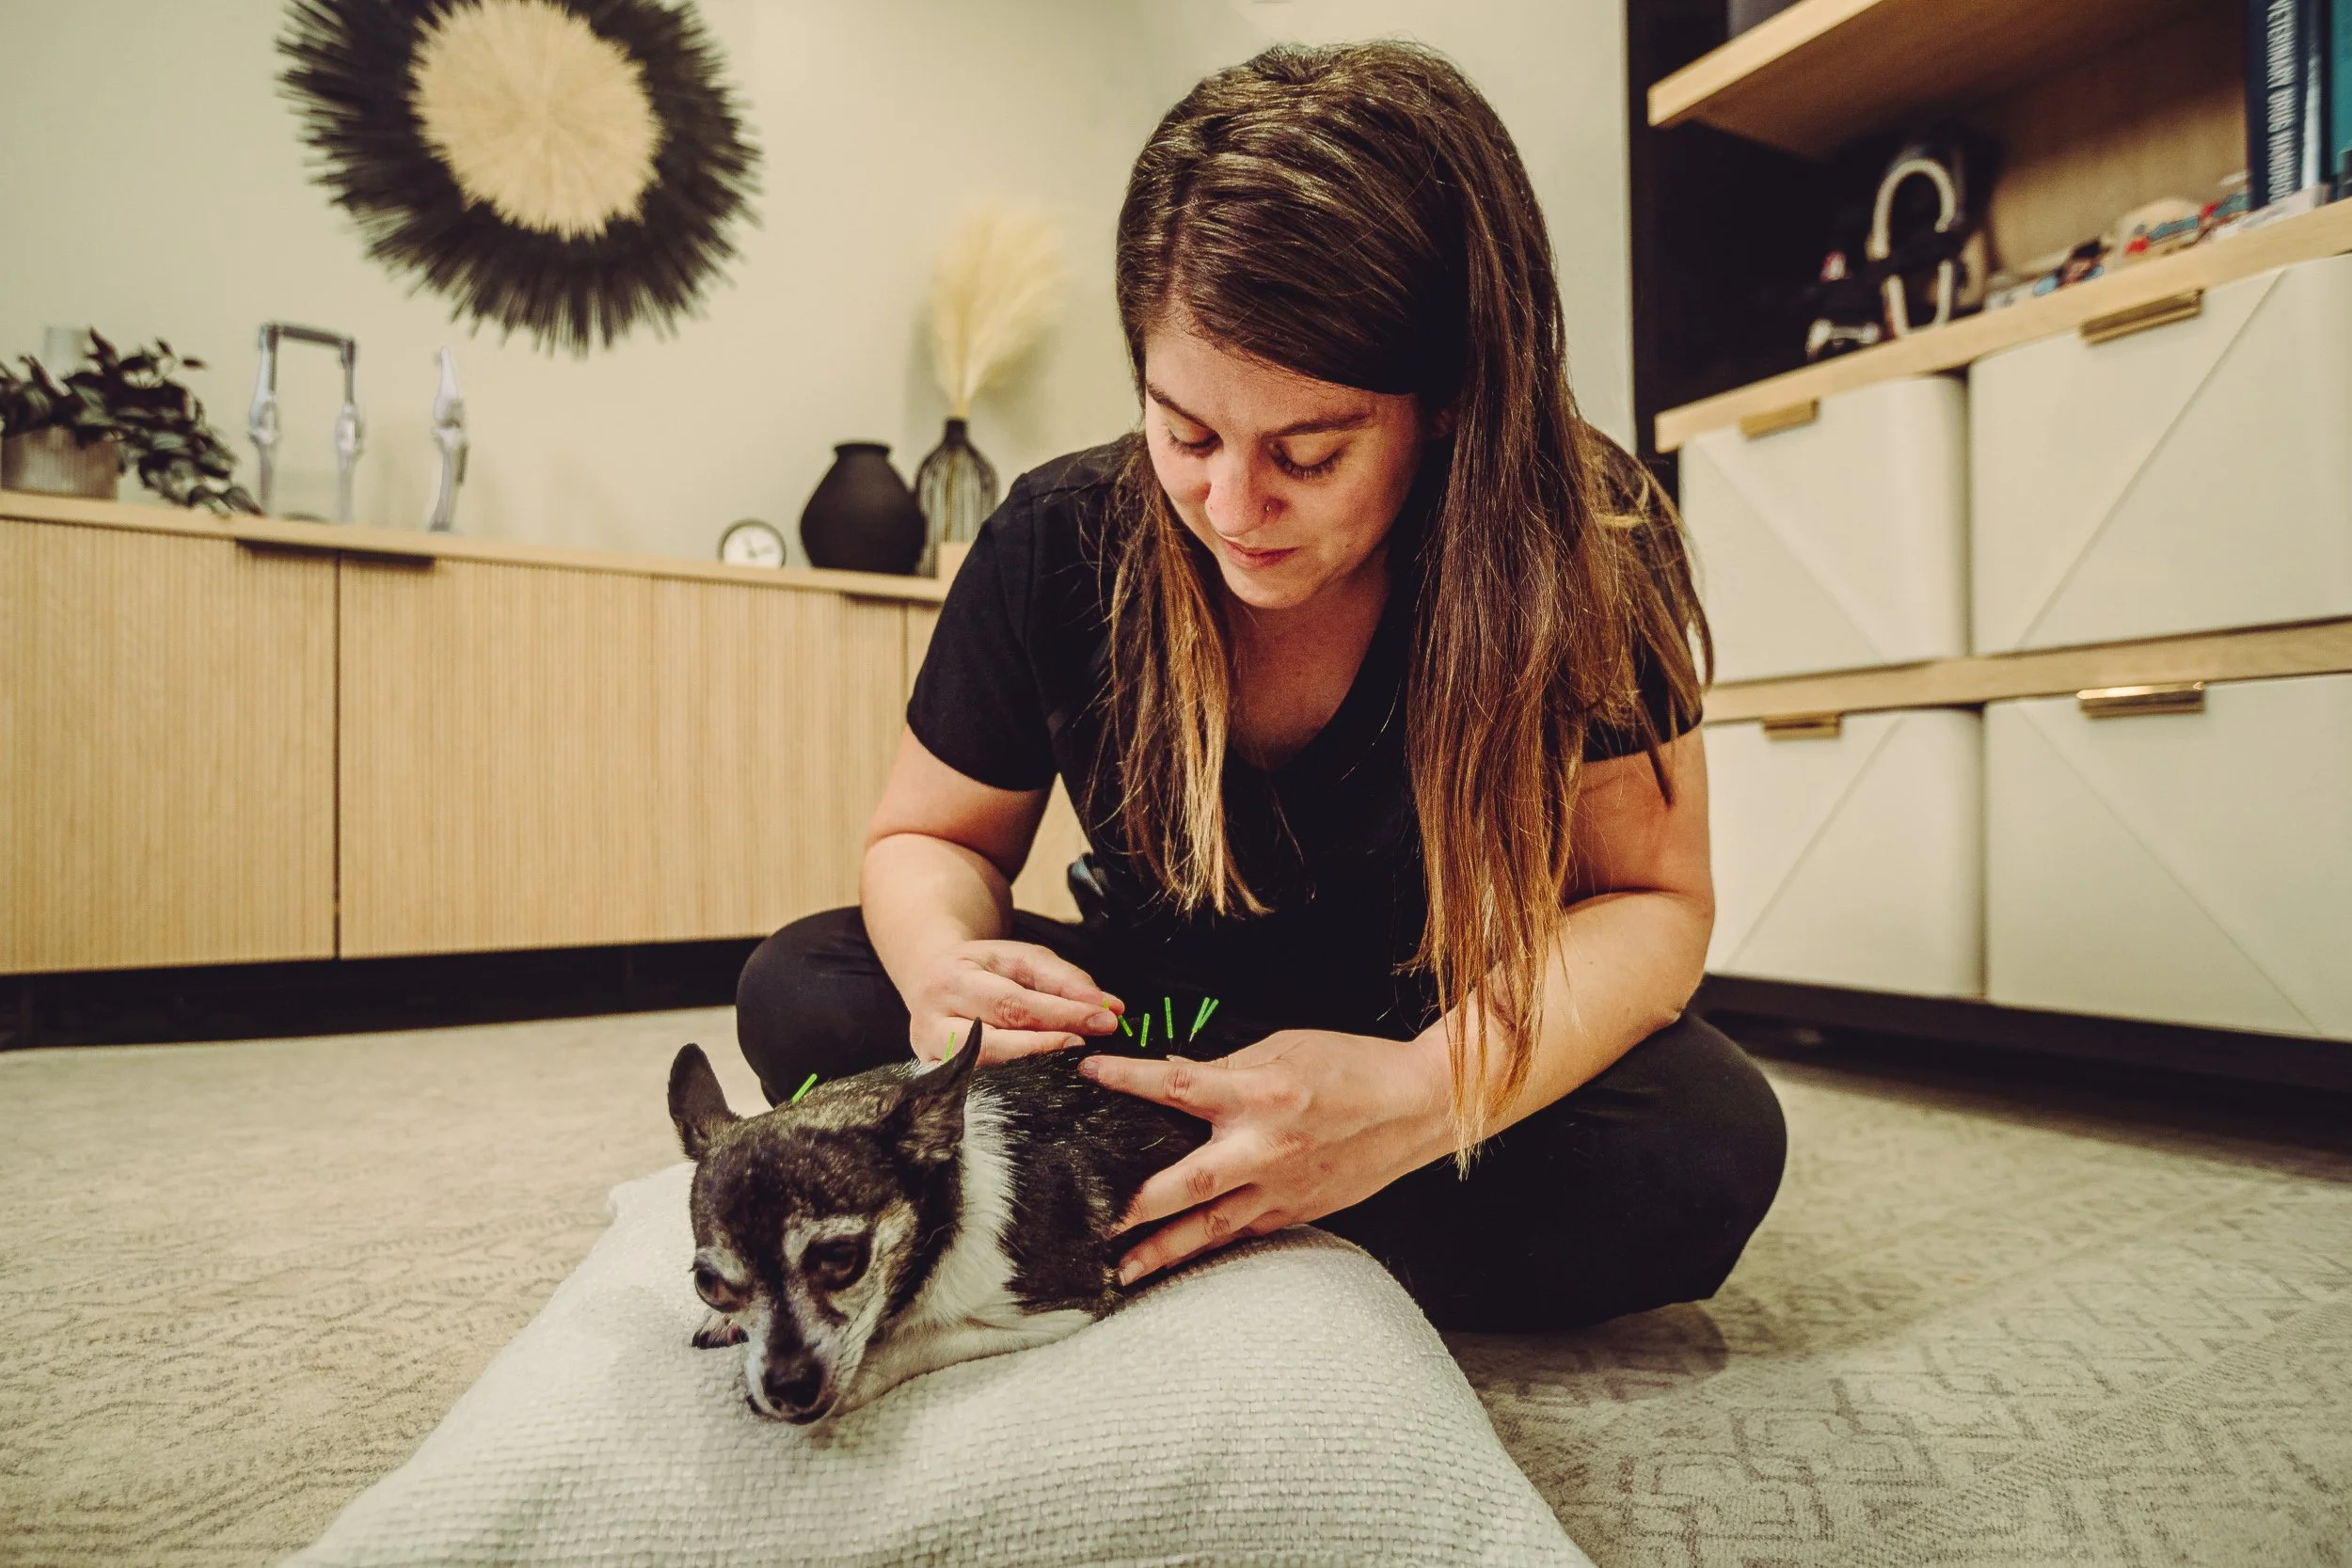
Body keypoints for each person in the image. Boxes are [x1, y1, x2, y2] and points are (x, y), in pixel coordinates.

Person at [737, 40, 1786, 1333]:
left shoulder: (1584, 539)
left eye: (1310, 450)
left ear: (1449, 399)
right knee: (804, 986)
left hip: (1436, 1018)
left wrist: (1417, 1096)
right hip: (1152, 1016)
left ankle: (1184, 1202)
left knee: (1705, 1147)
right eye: (1186, 434)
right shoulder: (1061, 536)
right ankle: (1269, 1208)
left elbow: (1650, 901)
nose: (1234, 509)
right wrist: (944, 964)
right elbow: (927, 835)